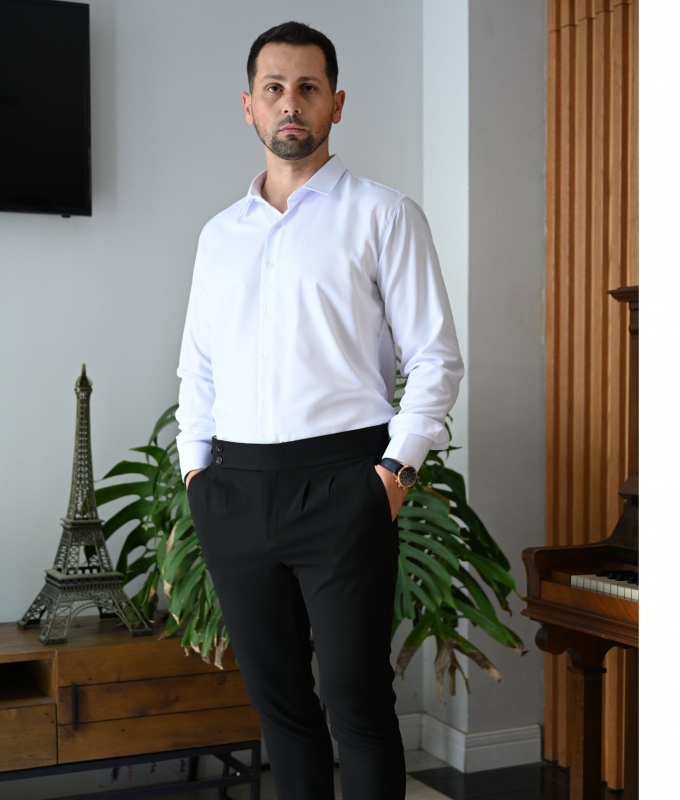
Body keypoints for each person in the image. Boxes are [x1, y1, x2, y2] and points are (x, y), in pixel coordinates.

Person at [175, 20, 464, 800]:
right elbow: (199, 365)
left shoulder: (384, 215)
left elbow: (435, 356)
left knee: (356, 702)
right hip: (234, 490)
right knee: (280, 709)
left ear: (336, 103)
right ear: (249, 106)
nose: (290, 103)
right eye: (274, 88)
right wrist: (196, 474)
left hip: (345, 483)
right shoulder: (218, 236)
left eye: (307, 87)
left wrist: (394, 473)